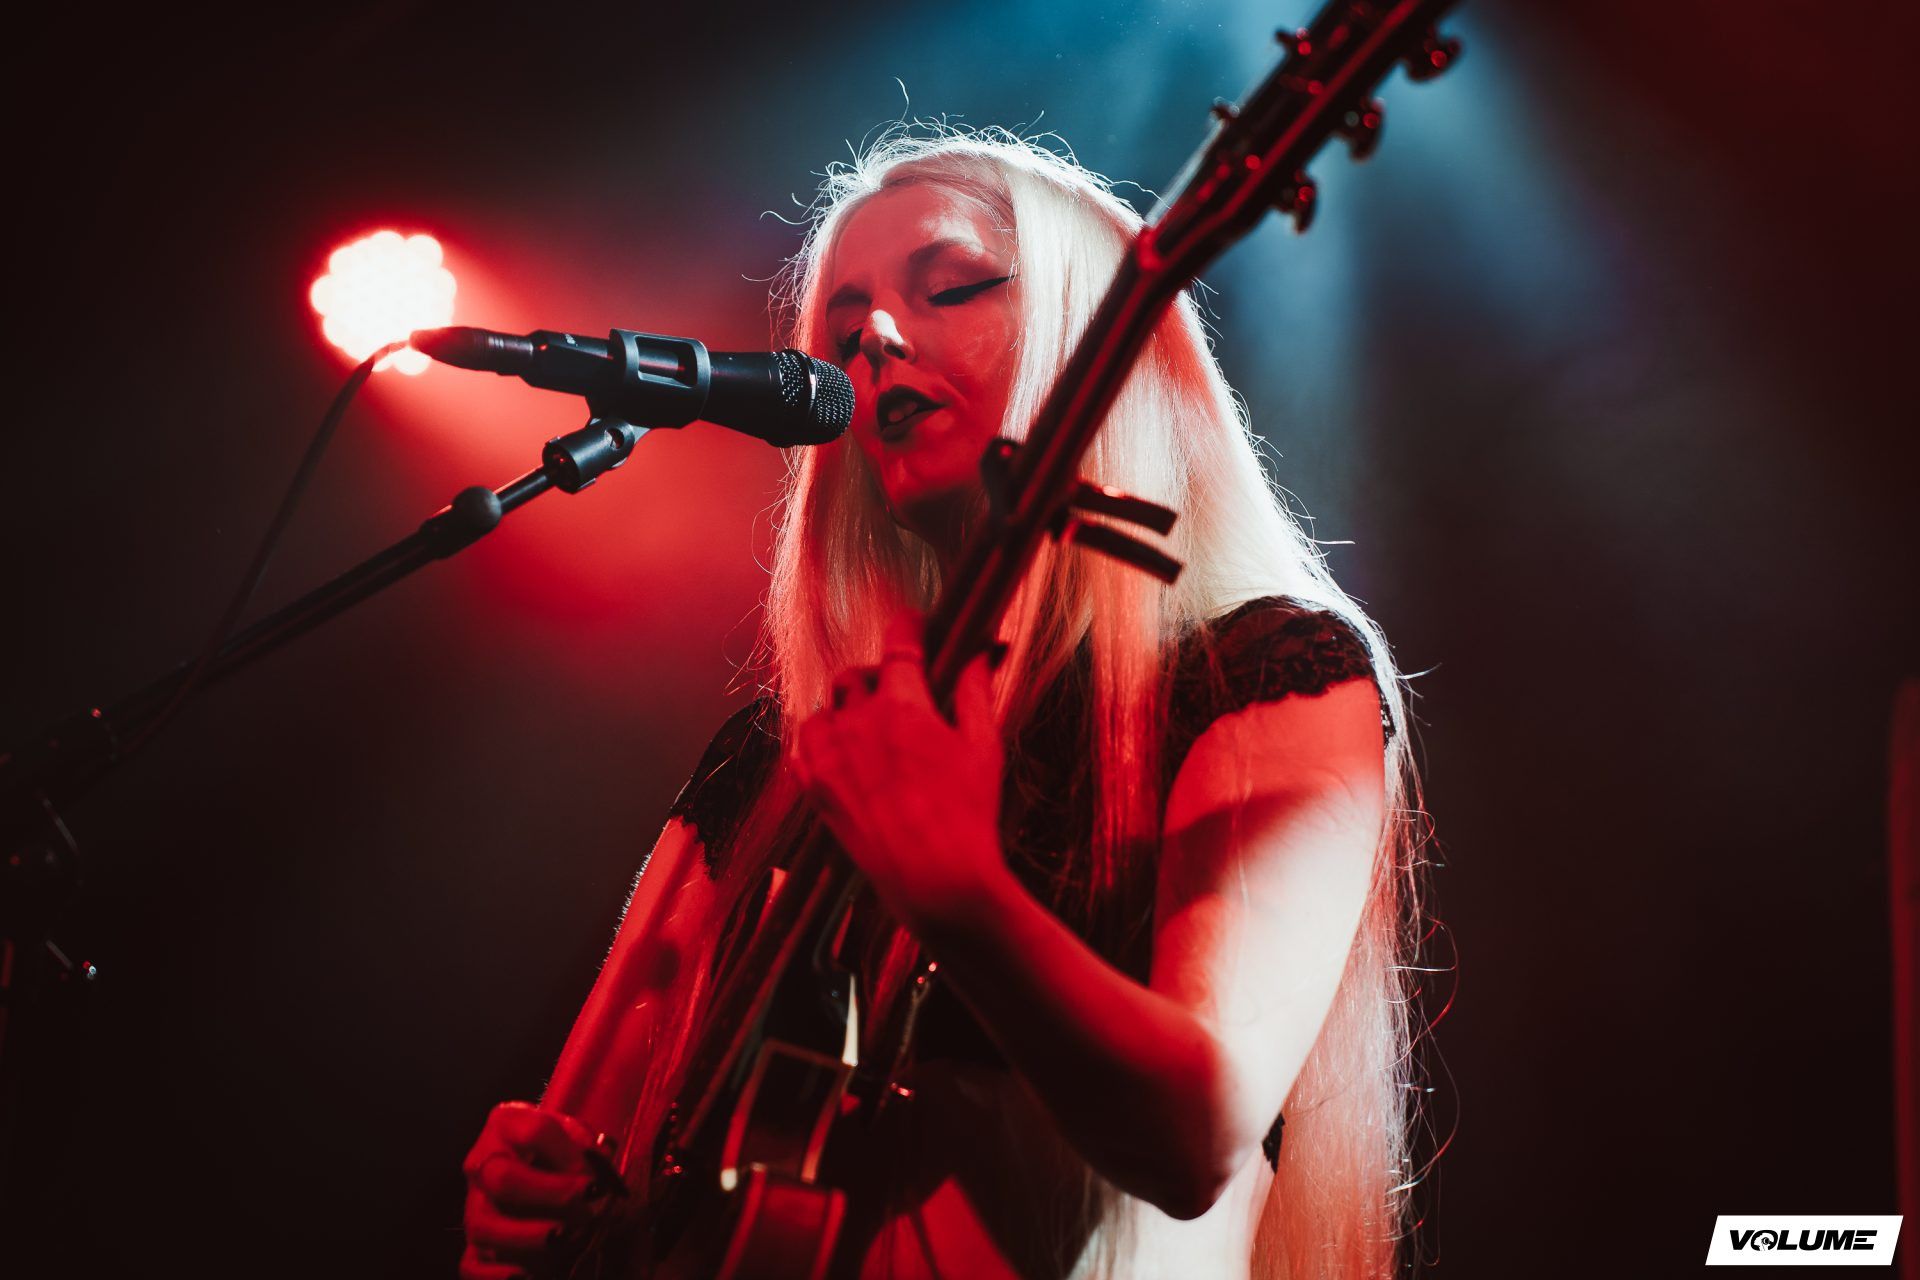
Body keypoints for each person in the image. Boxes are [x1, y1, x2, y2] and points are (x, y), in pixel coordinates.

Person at [458, 129, 1436, 1280]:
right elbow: (594, 1131)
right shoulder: (785, 752)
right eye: (842, 329)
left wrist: (963, 898)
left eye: (955, 285)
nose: (874, 337)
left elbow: (1199, 1132)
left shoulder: (1262, 671)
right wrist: (538, 1202)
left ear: (1092, 331)